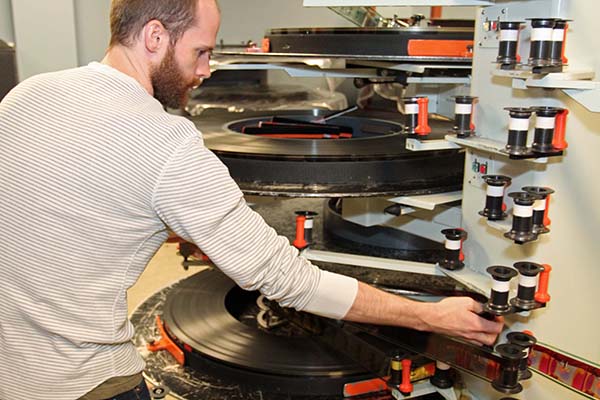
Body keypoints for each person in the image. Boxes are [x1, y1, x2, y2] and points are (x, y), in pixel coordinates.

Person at [0, 0, 503, 399]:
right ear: (155, 37)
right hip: (85, 382)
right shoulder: (166, 143)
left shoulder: (27, 94)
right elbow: (289, 281)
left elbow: (65, 204)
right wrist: (430, 316)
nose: (207, 68)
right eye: (201, 51)